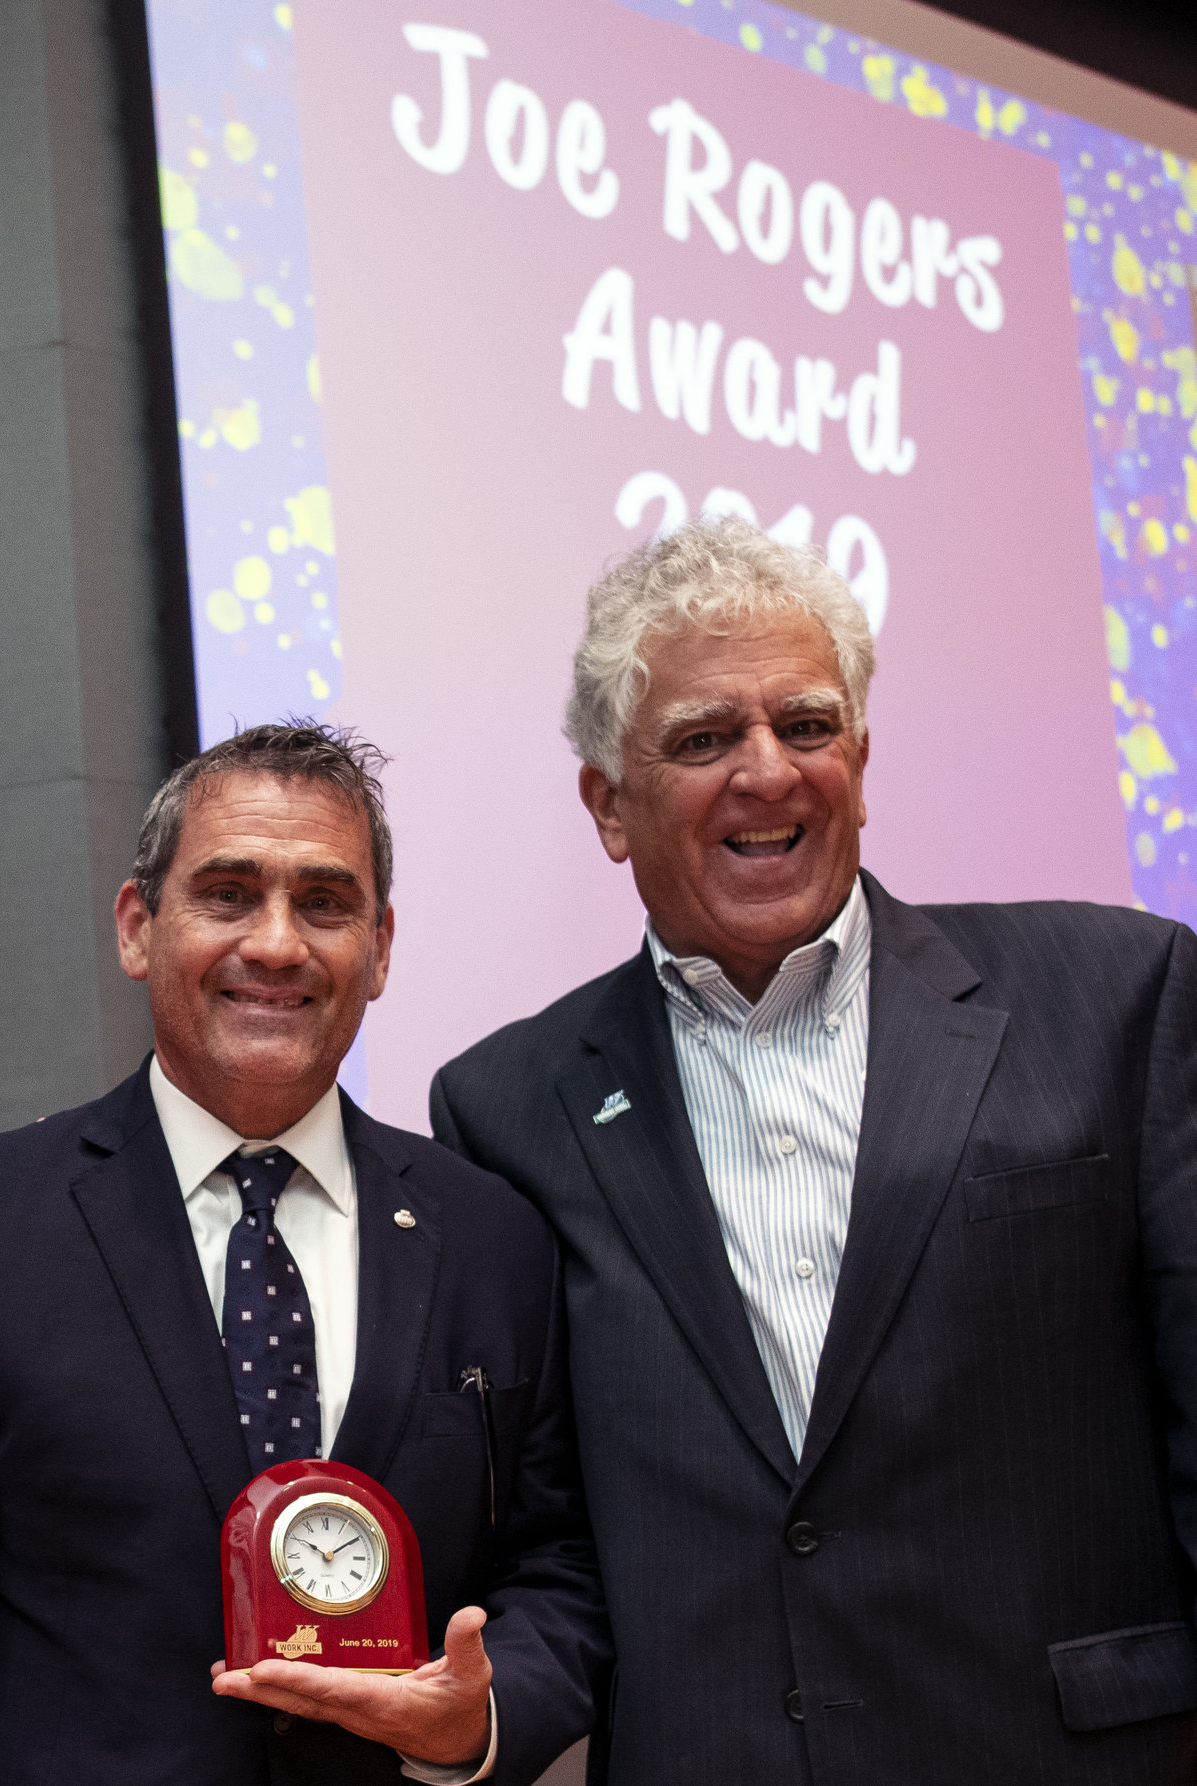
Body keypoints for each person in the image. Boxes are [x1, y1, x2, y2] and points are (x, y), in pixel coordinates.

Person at [431, 517, 1197, 1782]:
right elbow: (551, 1537)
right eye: (700, 739)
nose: (767, 771)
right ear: (608, 806)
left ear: (858, 752)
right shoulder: (503, 1107)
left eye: (804, 724)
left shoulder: (1118, 995)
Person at [0, 723, 607, 1785]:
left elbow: (555, 1564)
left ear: (378, 948)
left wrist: (480, 1715)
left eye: (324, 903)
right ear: (139, 927)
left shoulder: (492, 1235)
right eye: (228, 893)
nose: (276, 944)